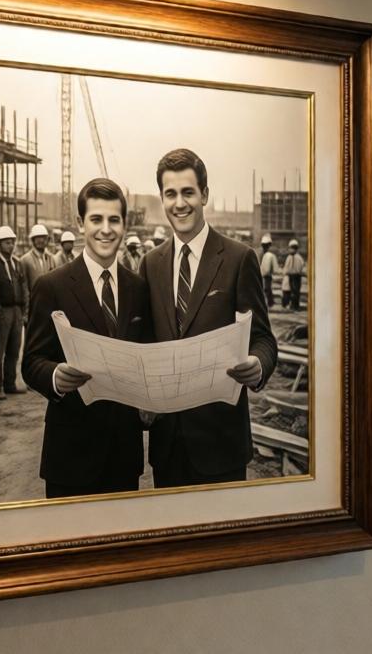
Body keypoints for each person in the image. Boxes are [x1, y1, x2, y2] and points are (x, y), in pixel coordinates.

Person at [137, 148, 277, 488]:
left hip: (221, 442)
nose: (179, 203)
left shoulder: (238, 258)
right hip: (168, 443)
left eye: (188, 192)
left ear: (205, 195)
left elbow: (264, 339)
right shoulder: (150, 264)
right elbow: (144, 343)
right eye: (170, 194)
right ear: (162, 198)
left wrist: (257, 365)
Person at [22, 178, 151, 498]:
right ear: (81, 224)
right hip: (71, 453)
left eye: (114, 220)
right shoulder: (52, 286)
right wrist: (54, 375)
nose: (105, 229)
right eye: (96, 219)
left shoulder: (138, 288)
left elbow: (147, 355)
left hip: (123, 452)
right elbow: (31, 362)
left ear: (124, 224)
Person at [0, 226, 29, 398]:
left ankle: (10, 384)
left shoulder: (17, 263)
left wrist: (23, 310)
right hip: (2, 310)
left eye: (12, 242)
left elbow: (23, 286)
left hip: (16, 310)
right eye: (7, 242)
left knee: (14, 350)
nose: (11, 245)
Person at [20, 223, 57, 299]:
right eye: (38, 238)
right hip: (34, 301)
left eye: (43, 238)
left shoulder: (51, 258)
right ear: (33, 240)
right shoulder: (25, 260)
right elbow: (24, 286)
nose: (41, 241)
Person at [281, 239, 306, 312]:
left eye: (293, 248)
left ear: (296, 249)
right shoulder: (289, 257)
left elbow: (301, 268)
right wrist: (285, 273)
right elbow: (286, 267)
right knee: (290, 291)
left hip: (296, 276)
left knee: (296, 291)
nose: (291, 250)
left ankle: (295, 306)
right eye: (291, 248)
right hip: (290, 276)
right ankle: (291, 304)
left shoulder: (299, 258)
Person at [258, 233, 278, 308]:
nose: (265, 247)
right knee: (263, 289)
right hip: (262, 274)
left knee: (267, 288)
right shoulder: (261, 254)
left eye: (266, 245)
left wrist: (271, 272)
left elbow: (274, 267)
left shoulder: (270, 255)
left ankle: (270, 302)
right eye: (264, 246)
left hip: (267, 275)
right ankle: (267, 302)